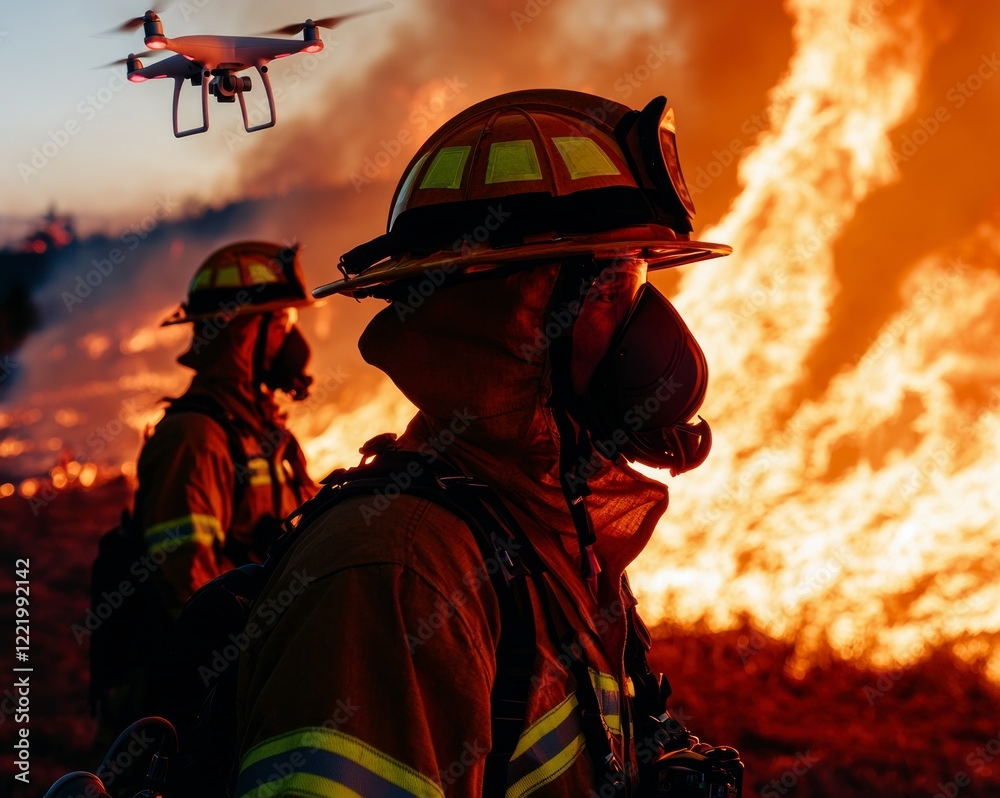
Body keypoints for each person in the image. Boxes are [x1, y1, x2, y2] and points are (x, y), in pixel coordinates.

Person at [232, 91, 733, 797]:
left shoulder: (547, 525)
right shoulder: (399, 574)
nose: (648, 323)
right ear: (515, 318)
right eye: (610, 287)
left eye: (638, 280)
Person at [91, 240, 319, 734]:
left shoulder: (265, 436)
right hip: (200, 705)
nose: (294, 341)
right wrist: (265, 662)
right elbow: (190, 589)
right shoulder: (195, 439)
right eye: (283, 322)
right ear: (244, 333)